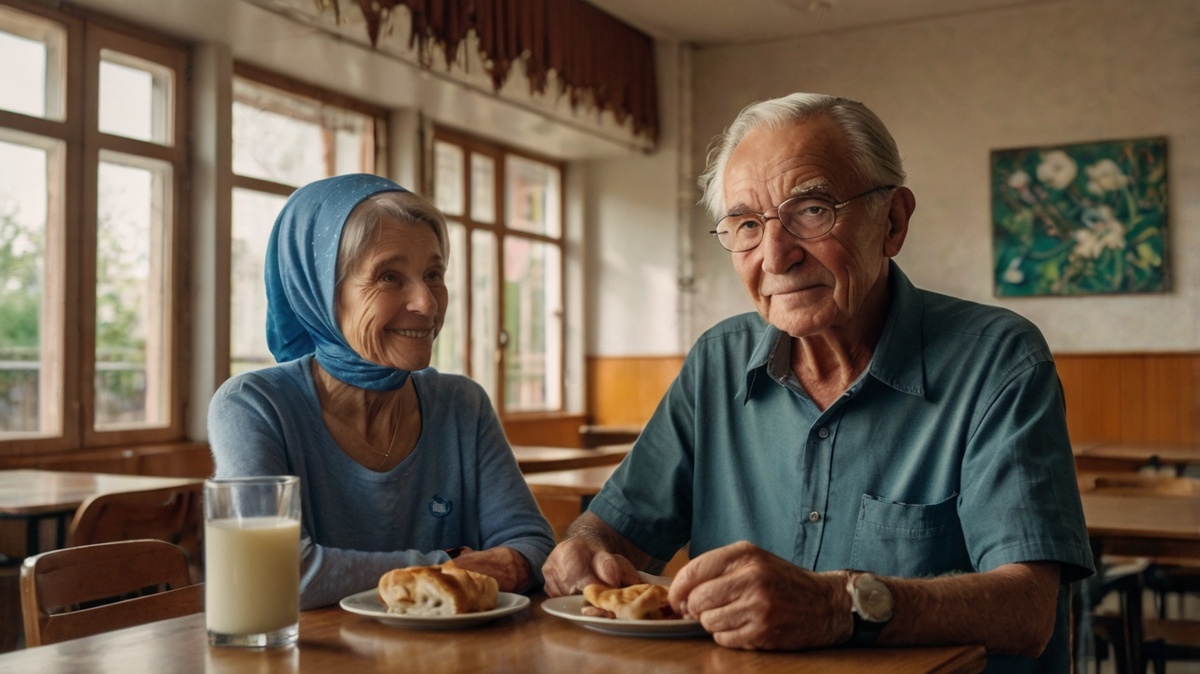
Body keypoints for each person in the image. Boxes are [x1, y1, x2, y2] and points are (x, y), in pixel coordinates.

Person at [542, 94, 1094, 672]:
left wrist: (840, 604)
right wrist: (585, 549)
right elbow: (612, 529)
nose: (775, 257)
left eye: (811, 210)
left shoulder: (998, 360)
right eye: (747, 225)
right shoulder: (717, 362)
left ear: (893, 222)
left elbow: (1028, 609)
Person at [209, 174, 555, 610]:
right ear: (318, 292)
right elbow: (273, 572)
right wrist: (447, 566)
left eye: (433, 274)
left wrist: (509, 563)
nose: (427, 303)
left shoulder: (461, 405)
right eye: (390, 276)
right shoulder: (253, 406)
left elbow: (532, 546)